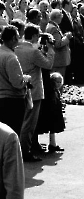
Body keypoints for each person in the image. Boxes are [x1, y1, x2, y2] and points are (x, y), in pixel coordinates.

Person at [15, 24, 55, 161]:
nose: (39, 38)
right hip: (34, 90)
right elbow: (48, 64)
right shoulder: (33, 51)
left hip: (18, 88)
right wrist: (50, 49)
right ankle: (25, 152)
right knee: (29, 123)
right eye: (38, 35)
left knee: (20, 121)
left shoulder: (17, 48)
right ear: (33, 36)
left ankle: (20, 149)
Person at [0, 26, 29, 136]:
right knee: (13, 134)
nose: (19, 38)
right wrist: (26, 80)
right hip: (11, 100)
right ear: (13, 38)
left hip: (2, 98)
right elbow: (17, 83)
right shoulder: (10, 57)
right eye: (17, 36)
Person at [45, 9, 72, 84]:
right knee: (58, 81)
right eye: (60, 17)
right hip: (59, 59)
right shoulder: (53, 28)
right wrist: (67, 37)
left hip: (57, 59)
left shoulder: (51, 26)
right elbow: (57, 44)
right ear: (57, 17)